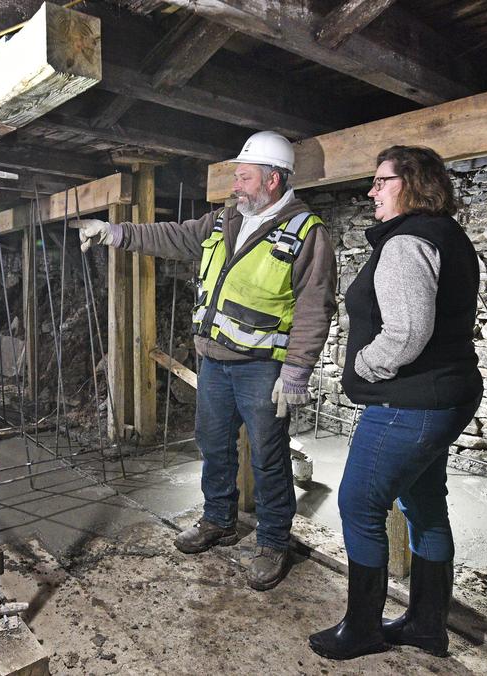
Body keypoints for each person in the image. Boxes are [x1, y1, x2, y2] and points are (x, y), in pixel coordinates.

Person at [78, 131, 338, 590]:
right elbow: (173, 236)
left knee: (268, 455)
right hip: (214, 360)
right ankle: (218, 518)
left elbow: (316, 305)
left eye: (244, 176)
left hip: (262, 367)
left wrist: (296, 370)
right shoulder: (226, 221)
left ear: (273, 180)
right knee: (213, 444)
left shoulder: (305, 233)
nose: (235, 184)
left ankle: (274, 541)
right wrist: (115, 233)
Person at [309, 146, 482, 660]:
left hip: (410, 403)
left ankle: (362, 628)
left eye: (382, 181)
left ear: (411, 183)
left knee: (359, 504)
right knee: (425, 504)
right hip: (445, 394)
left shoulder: (407, 242)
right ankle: (427, 625)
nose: (372, 191)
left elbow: (406, 334)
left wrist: (363, 365)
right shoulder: (447, 235)